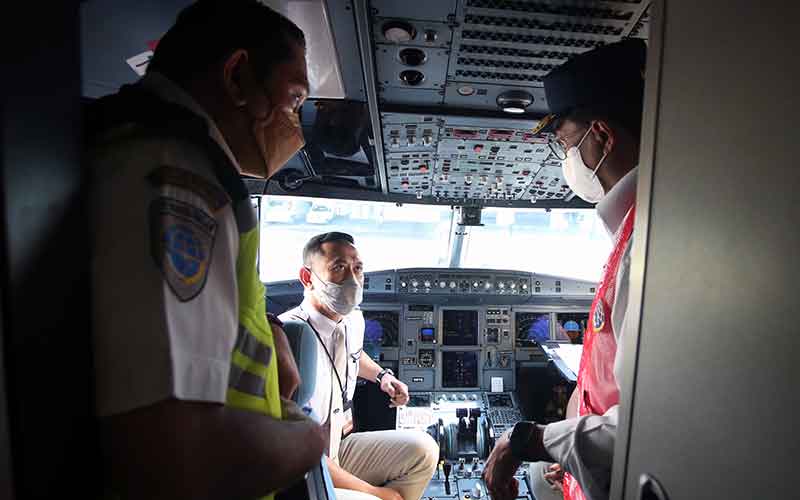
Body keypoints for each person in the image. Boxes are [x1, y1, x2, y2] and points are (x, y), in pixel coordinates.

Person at [86, 1, 327, 498]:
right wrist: (309, 440)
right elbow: (177, 455)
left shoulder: (150, 153)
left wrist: (274, 329)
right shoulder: (174, 179)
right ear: (238, 76)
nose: (296, 123)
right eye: (295, 97)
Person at [482, 38, 646, 500]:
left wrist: (532, 440)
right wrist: (565, 443)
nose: (564, 159)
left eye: (565, 143)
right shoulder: (635, 229)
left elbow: (646, 423)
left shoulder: (650, 245)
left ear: (602, 136)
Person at [280, 232, 439, 500]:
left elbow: (354, 352)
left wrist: (382, 376)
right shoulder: (290, 339)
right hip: (302, 467)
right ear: (307, 278)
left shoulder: (352, 320)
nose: (353, 279)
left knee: (424, 449)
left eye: (358, 268)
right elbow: (298, 450)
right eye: (338, 268)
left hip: (336, 448)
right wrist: (377, 493)